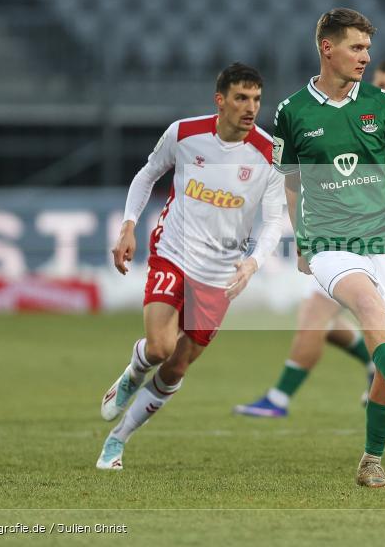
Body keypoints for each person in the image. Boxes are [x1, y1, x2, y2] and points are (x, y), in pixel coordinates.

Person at [270, 8, 385, 489]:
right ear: (327, 48)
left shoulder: (384, 106)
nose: (365, 57)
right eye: (356, 47)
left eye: (368, 48)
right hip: (332, 243)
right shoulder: (292, 113)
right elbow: (291, 184)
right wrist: (301, 240)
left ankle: (371, 461)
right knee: (369, 308)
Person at [95, 63, 285, 470]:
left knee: (177, 366)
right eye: (241, 98)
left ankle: (118, 439)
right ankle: (133, 370)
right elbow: (147, 175)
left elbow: (274, 221)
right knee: (161, 347)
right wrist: (127, 227)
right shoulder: (184, 133)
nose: (250, 107)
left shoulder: (270, 154)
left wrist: (252, 263)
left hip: (220, 273)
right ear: (220, 100)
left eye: (256, 99)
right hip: (173, 252)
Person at [234, 58, 385, 418]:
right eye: (382, 83)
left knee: (350, 324)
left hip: (383, 242)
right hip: (333, 241)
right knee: (322, 317)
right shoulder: (326, 113)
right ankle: (286, 397)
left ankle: (371, 379)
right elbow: (295, 181)